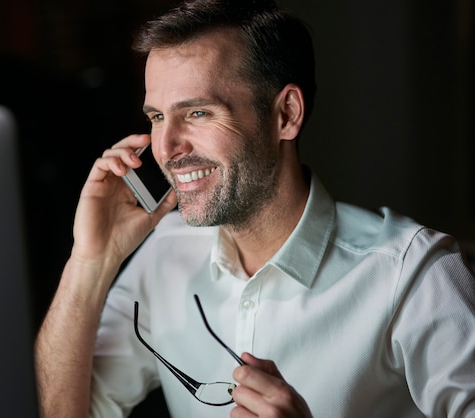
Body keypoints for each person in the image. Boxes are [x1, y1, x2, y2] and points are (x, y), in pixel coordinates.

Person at [34, 0, 475, 416]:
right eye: (157, 117)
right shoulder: (162, 255)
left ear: (285, 114)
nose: (166, 148)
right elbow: (62, 410)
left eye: (199, 113)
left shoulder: (413, 274)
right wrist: (91, 260)